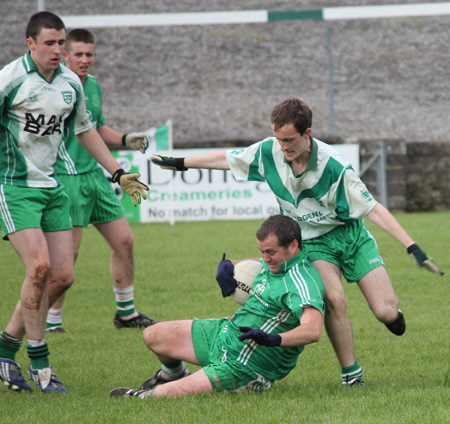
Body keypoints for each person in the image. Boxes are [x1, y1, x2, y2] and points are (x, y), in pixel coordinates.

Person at [150, 97, 443, 386]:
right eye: (278, 139)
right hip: (313, 242)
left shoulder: (334, 168)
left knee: (385, 311)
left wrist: (411, 246)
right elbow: (227, 159)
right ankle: (351, 374)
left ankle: (393, 314)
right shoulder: (270, 152)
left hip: (351, 236)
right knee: (334, 298)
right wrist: (180, 162)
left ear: (307, 134)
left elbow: (374, 208)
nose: (283, 146)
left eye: (289, 139)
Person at [0, 11, 148, 394]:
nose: (58, 50)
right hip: (13, 186)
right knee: (40, 268)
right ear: (30, 44)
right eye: (50, 43)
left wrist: (118, 172)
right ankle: (39, 364)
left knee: (63, 277)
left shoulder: (71, 84)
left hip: (52, 186)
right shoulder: (10, 79)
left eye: (60, 42)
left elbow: (84, 130)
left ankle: (4, 349)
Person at [109, 214, 325, 399]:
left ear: (294, 245)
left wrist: (274, 339)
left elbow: (313, 330)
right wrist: (229, 265)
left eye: (271, 252)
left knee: (162, 395)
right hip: (225, 333)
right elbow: (258, 264)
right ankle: (173, 373)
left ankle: (145, 395)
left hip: (247, 365)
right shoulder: (276, 262)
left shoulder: (302, 282)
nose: (265, 258)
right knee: (152, 335)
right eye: (262, 251)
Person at [45, 28, 155, 334]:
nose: (84, 60)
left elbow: (96, 127)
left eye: (89, 54)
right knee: (70, 254)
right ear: (65, 55)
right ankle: (52, 323)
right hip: (66, 178)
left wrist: (125, 139)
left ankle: (126, 313)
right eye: (78, 54)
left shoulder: (92, 85)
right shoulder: (54, 88)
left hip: (95, 175)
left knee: (124, 241)